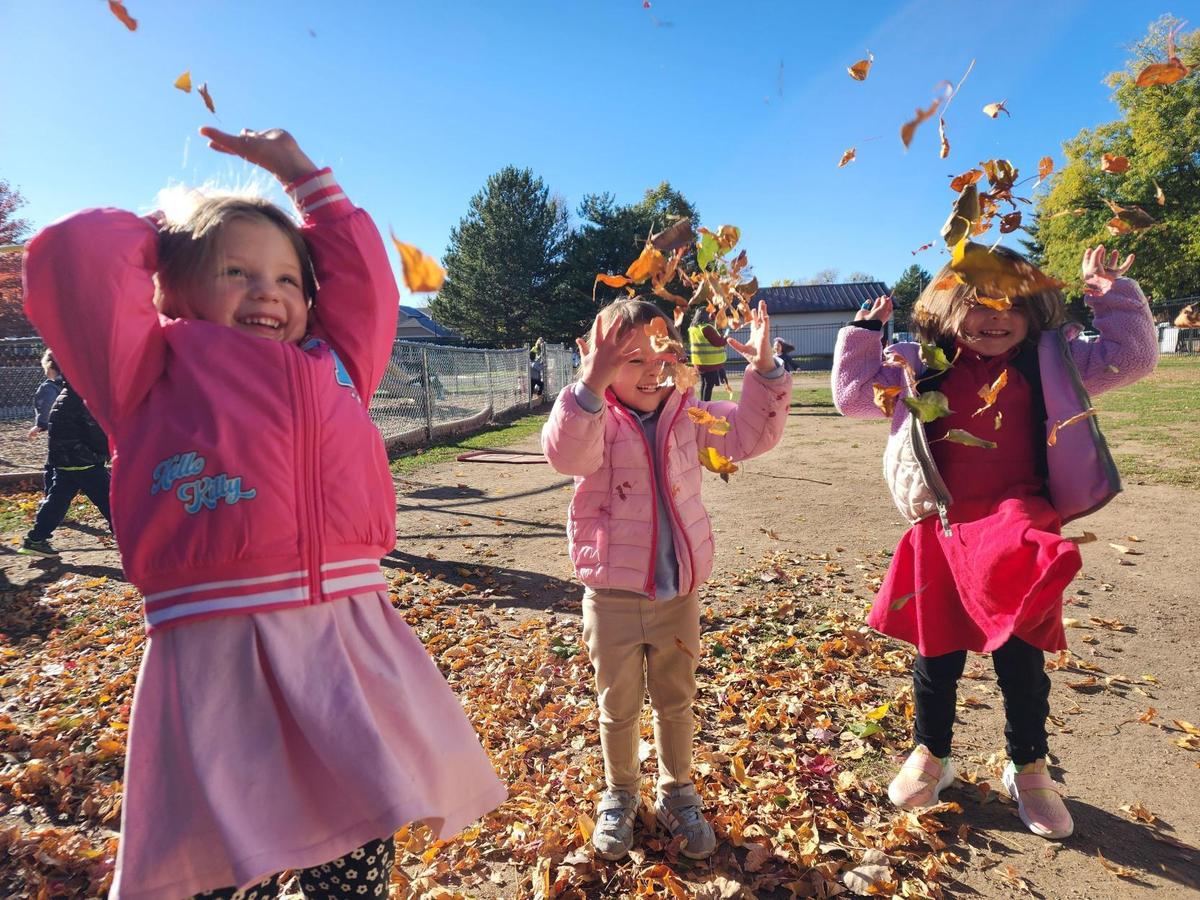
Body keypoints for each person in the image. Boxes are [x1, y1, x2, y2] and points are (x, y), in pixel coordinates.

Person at [23, 126, 506, 899]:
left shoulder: (338, 364)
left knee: (356, 855)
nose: (268, 293)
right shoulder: (147, 373)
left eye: (289, 279)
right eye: (237, 271)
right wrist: (172, 232)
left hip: (344, 640)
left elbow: (368, 284)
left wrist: (300, 176)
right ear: (175, 290)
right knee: (221, 865)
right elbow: (71, 256)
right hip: (220, 652)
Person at [831, 245, 1158, 840]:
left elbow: (1132, 359)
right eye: (979, 304)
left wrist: (1110, 295)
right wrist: (861, 332)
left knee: (1021, 657)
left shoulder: (1050, 358)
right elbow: (853, 398)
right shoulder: (920, 362)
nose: (996, 317)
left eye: (1013, 306)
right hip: (946, 525)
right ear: (946, 309)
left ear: (1034, 313)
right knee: (937, 656)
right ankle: (932, 753)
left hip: (1019, 522)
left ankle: (1028, 766)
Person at [542, 298, 791, 861]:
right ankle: (620, 792)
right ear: (598, 362)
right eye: (630, 358)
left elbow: (752, 435)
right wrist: (588, 386)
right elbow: (564, 454)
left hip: (677, 594)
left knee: (676, 700)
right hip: (611, 596)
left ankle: (678, 789)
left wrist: (765, 371)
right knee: (619, 704)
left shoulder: (691, 415)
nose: (652, 369)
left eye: (661, 353)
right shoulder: (594, 420)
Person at [18, 376, 112, 557]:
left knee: (56, 503)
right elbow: (96, 434)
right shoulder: (84, 401)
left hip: (63, 463)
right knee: (110, 501)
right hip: (86, 462)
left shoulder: (63, 396)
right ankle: (128, 541)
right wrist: (108, 448)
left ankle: (35, 539)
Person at [27, 347, 65, 494]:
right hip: (78, 432)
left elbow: (47, 406)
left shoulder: (49, 387)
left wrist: (40, 425)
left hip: (58, 435)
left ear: (49, 367)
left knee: (52, 468)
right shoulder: (74, 383)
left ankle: (50, 497)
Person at [687, 308, 729, 401]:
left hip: (699, 362)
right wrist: (726, 337)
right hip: (710, 362)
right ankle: (705, 404)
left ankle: (702, 403)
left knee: (704, 383)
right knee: (709, 385)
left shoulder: (693, 328)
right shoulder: (706, 328)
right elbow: (718, 342)